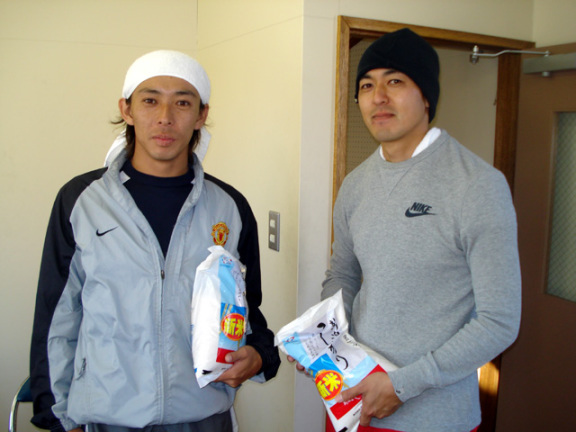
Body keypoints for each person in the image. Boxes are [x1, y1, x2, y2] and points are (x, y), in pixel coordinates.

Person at [29, 50, 280, 432]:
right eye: (150, 101)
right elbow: (56, 319)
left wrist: (259, 355)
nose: (165, 117)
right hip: (107, 418)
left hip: (204, 418)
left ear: (201, 115)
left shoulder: (229, 207)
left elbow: (249, 313)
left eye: (182, 102)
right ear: (126, 110)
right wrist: (58, 418)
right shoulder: (81, 202)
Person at [320, 28, 521, 432]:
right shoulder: (355, 184)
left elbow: (499, 320)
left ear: (426, 96)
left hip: (436, 418)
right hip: (353, 405)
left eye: (395, 81)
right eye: (366, 85)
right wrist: (323, 336)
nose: (378, 97)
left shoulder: (477, 185)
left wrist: (402, 385)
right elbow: (343, 274)